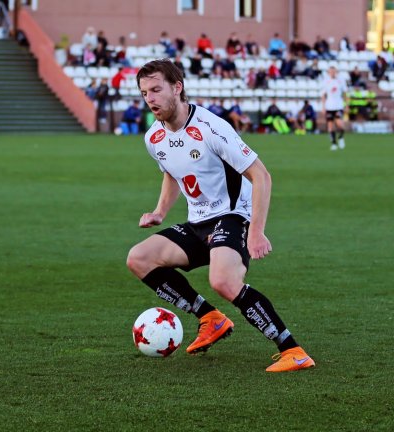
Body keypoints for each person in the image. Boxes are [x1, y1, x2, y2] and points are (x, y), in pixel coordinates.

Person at [128, 59, 314, 372]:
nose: (150, 99)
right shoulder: (153, 138)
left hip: (232, 217)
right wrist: (160, 211)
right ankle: (210, 318)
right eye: (145, 93)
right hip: (198, 222)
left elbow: (261, 175)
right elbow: (172, 173)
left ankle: (293, 350)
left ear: (178, 87)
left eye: (157, 90)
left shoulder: (211, 128)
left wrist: (256, 230)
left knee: (223, 281)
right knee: (138, 258)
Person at [321, 66, 348, 151]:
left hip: (338, 105)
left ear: (336, 72)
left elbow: (345, 93)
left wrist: (346, 105)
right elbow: (323, 95)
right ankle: (333, 143)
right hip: (329, 106)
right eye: (330, 72)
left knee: (340, 124)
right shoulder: (326, 81)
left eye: (333, 71)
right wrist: (323, 106)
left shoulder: (341, 81)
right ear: (328, 73)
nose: (332, 73)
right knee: (330, 126)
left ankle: (340, 137)